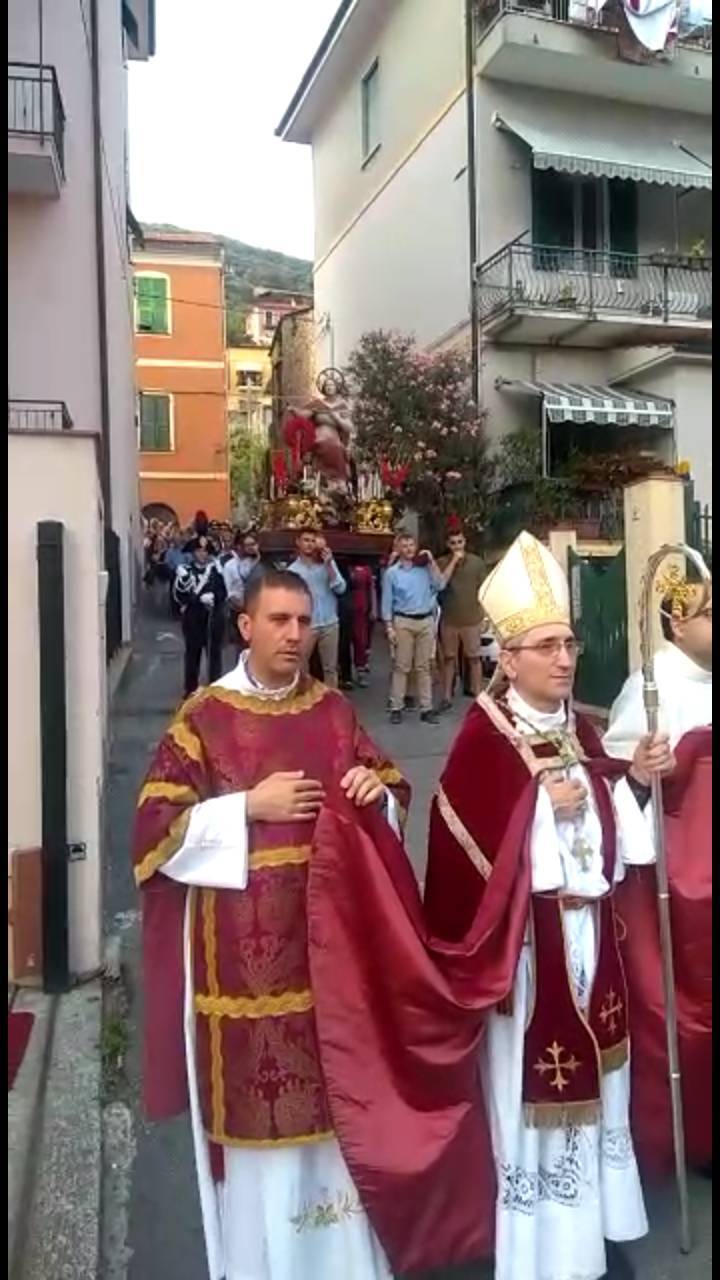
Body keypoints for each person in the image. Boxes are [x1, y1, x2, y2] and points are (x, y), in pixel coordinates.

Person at [132, 568, 411, 1280]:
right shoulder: (204, 716)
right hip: (244, 975)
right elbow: (152, 829)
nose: (294, 635)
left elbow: (394, 788)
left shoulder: (334, 711)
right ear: (245, 625)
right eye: (279, 620)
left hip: (331, 961)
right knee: (263, 1130)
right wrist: (245, 808)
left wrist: (376, 792)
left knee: (339, 1113)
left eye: (303, 620)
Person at [423, 530, 675, 1280]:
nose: (566, 657)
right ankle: (538, 1255)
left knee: (601, 1093)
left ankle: (590, 1233)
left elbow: (611, 832)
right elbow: (455, 846)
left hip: (590, 942)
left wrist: (628, 779)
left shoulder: (576, 728)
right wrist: (536, 808)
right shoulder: (482, 738)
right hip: (527, 961)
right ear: (508, 656)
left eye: (568, 642)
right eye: (547, 645)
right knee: (531, 1107)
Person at [603, 571, 712, 1178]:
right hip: (675, 886)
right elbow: (618, 777)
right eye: (709, 612)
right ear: (677, 623)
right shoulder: (650, 688)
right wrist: (645, 771)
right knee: (682, 1015)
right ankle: (685, 1135)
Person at [381, 532, 445, 724]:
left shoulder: (425, 568)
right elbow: (386, 601)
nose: (408, 549)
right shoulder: (392, 573)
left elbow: (440, 585)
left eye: (411, 545)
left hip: (425, 620)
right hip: (403, 621)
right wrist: (389, 627)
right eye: (404, 545)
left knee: (423, 667)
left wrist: (432, 562)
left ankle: (426, 708)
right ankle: (396, 706)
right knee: (402, 666)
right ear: (398, 548)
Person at [436, 519, 487, 709]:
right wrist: (454, 561)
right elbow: (440, 584)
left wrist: (484, 616)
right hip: (450, 619)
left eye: (460, 542)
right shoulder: (442, 562)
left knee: (474, 658)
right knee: (449, 658)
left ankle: (479, 696)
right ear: (448, 545)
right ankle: (447, 697)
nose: (457, 546)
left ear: (465, 542)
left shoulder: (477, 563)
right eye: (453, 543)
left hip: (472, 618)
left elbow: (484, 590)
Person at [288, 530, 346, 689]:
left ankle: (332, 704)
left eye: (313, 540)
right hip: (307, 625)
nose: (309, 544)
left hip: (329, 622)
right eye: (306, 540)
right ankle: (303, 701)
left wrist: (329, 565)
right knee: (301, 665)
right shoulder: (293, 571)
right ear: (298, 542)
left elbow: (341, 588)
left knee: (330, 668)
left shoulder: (326, 564)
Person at [173, 537, 227, 698]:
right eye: (199, 551)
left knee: (214, 655)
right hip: (193, 620)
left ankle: (215, 688)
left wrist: (215, 597)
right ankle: (190, 688)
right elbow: (179, 596)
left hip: (212, 620)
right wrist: (197, 599)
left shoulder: (215, 572)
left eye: (205, 551)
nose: (203, 554)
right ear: (193, 553)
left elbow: (223, 592)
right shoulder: (185, 572)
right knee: (192, 655)